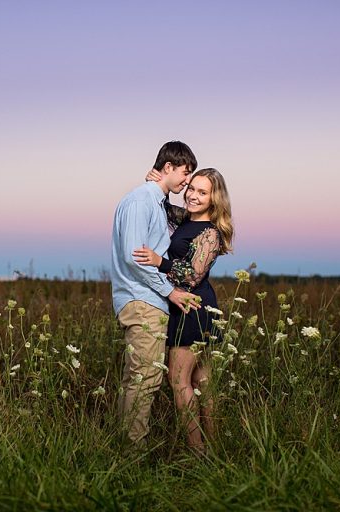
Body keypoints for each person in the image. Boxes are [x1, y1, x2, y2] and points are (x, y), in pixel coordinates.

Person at [132, 167, 233, 453]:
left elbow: (192, 275)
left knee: (179, 381)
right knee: (202, 381)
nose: (193, 196)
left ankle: (197, 450)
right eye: (192, 189)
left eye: (203, 193)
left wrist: (159, 262)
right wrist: (157, 183)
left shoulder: (210, 232)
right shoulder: (186, 219)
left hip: (192, 305)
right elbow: (163, 207)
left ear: (215, 199)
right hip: (191, 304)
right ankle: (214, 449)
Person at [111, 141, 202, 448]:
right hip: (143, 299)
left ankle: (125, 446)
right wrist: (170, 291)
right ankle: (133, 453)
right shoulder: (141, 201)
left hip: (145, 298)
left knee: (137, 379)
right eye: (185, 173)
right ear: (167, 167)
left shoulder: (155, 201)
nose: (187, 181)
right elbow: (135, 257)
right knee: (145, 380)